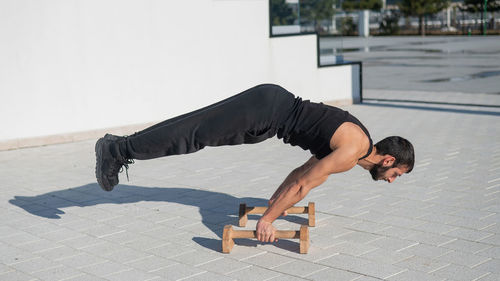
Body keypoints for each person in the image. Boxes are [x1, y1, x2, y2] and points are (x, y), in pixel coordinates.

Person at [95, 84, 414, 243]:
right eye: (396, 174)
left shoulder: (356, 142)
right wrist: (267, 221)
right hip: (265, 113)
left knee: (196, 129)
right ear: (388, 160)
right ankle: (117, 150)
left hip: (269, 107)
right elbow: (304, 184)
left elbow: (299, 174)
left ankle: (119, 147)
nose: (391, 180)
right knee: (193, 133)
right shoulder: (351, 152)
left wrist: (274, 204)